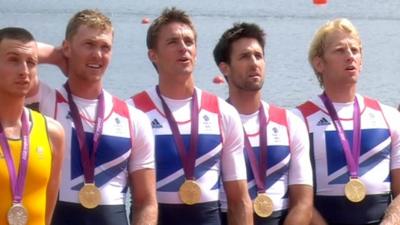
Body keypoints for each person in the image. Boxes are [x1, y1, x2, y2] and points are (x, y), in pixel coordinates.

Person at [26, 9, 157, 225]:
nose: (98, 54)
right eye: (89, 45)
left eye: (105, 47)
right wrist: (57, 57)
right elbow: (10, 51)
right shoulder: (45, 101)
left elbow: (146, 202)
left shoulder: (133, 119)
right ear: (67, 47)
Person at [127, 7, 252, 225]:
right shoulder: (132, 111)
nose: (183, 48)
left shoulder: (223, 113)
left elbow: (239, 201)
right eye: (173, 42)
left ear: (196, 51)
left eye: (189, 41)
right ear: (153, 55)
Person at [294, 18, 400, 225]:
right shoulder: (299, 119)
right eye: (340, 50)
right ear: (319, 63)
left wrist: (391, 221)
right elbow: (296, 200)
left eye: (355, 50)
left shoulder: (390, 117)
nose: (350, 56)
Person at [213, 22, 313, 225]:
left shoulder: (290, 123)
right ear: (225, 68)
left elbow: (303, 203)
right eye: (244, 56)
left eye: (258, 56)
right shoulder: (211, 122)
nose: (254, 63)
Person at [0, 27, 64, 225]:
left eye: (31, 62)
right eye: (13, 60)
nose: (24, 71)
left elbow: (47, 215)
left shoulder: (52, 133)